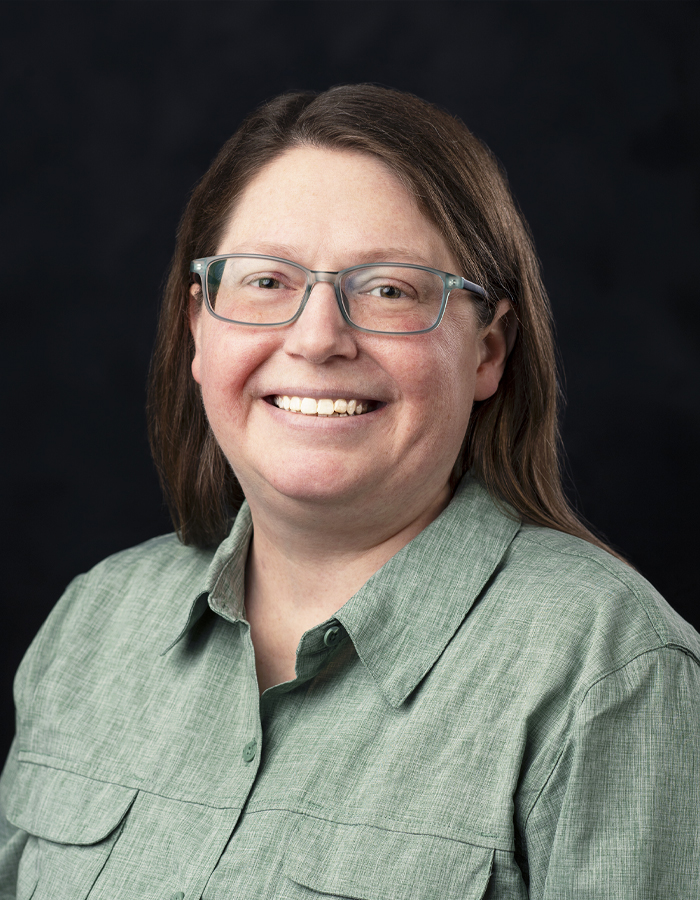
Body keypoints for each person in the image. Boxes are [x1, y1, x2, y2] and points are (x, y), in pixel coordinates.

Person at [0, 85, 698, 900]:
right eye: (265, 281)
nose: (317, 337)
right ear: (199, 328)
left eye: (390, 289)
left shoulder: (610, 672)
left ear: (488, 353)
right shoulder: (96, 623)